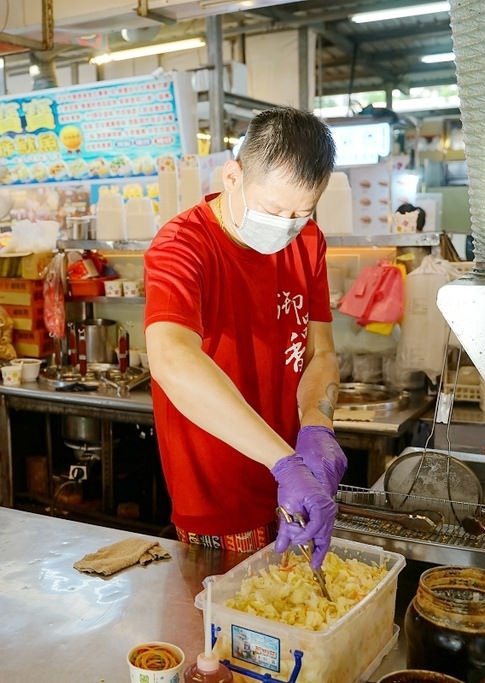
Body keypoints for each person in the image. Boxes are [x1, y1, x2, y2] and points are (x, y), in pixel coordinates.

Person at [144, 107, 347, 567]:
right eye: (274, 210)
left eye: (301, 212)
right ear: (232, 176)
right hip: (218, 491)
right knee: (225, 629)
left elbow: (322, 354)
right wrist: (284, 462)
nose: (287, 226)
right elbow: (172, 360)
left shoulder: (308, 239)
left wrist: (317, 423)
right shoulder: (183, 245)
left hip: (293, 486)